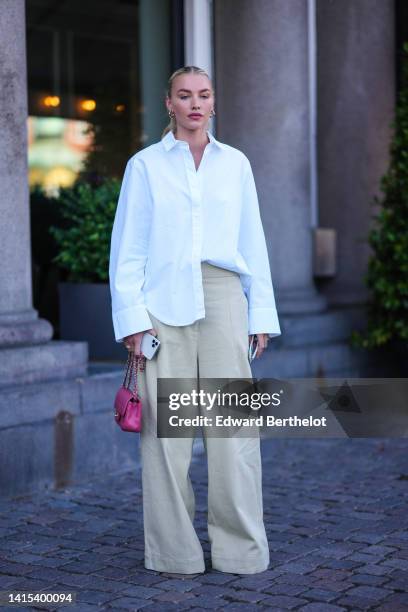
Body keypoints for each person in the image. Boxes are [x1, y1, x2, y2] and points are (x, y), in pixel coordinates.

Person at [109, 65, 281, 575]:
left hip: (227, 297)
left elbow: (253, 240)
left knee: (234, 434)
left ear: (213, 102)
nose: (195, 104)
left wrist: (261, 314)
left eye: (203, 94)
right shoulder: (144, 166)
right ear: (169, 104)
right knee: (166, 439)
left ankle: (241, 551)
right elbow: (129, 250)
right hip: (163, 305)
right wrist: (133, 321)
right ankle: (174, 553)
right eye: (184, 96)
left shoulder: (236, 165)